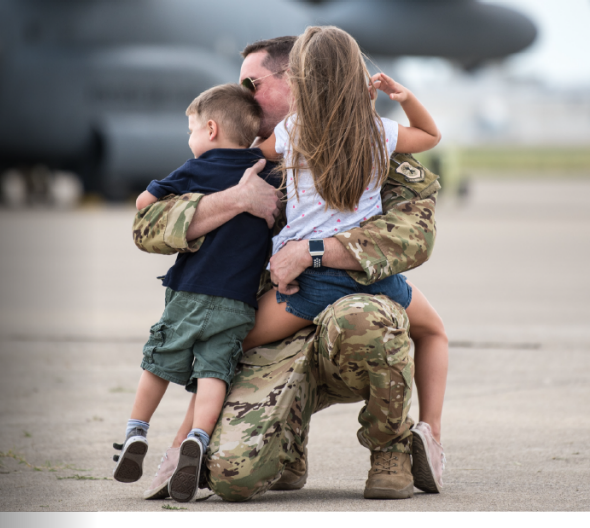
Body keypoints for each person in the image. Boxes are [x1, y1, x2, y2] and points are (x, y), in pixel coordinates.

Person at [132, 34, 445, 501]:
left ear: (293, 81)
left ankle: (399, 448)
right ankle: (285, 446)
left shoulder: (362, 143)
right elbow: (147, 226)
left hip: (341, 315)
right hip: (277, 336)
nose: (240, 95)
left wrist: (313, 251)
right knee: (232, 475)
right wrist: (234, 199)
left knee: (366, 320)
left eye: (251, 84)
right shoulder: (237, 159)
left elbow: (412, 236)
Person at [111, 83, 277, 503]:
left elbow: (144, 203)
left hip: (189, 292)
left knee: (159, 362)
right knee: (213, 373)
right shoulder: (267, 173)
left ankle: (136, 432)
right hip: (239, 301)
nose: (189, 139)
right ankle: (198, 438)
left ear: (211, 129)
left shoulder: (195, 168)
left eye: (191, 130)